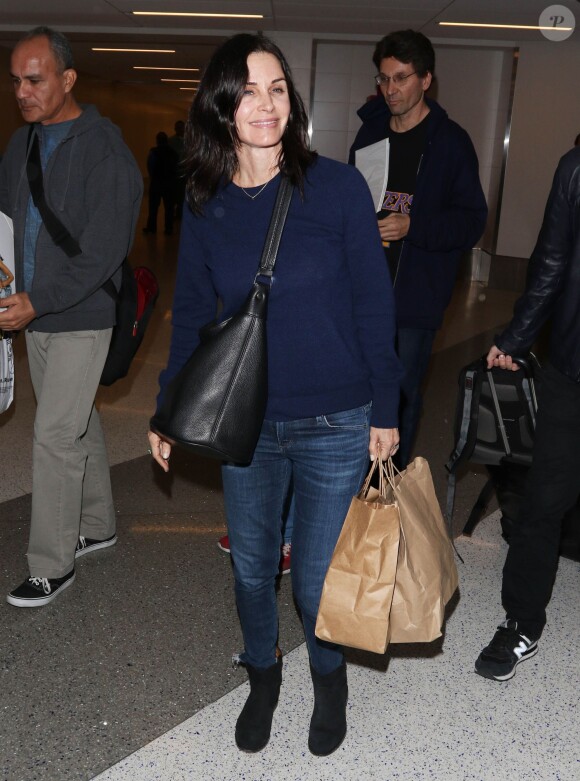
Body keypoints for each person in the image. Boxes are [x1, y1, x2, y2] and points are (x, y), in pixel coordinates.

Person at [148, 33, 402, 756]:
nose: (266, 105)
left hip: (336, 417)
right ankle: (263, 674)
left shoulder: (337, 189)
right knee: (254, 569)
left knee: (315, 585)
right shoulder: (204, 202)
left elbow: (373, 307)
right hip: (247, 422)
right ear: (222, 107)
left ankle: (329, 678)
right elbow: (192, 315)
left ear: (293, 102)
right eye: (249, 91)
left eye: (278, 89)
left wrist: (386, 409)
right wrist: (169, 410)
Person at [0, 27, 142, 607]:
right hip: (33, 309)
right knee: (74, 417)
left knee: (54, 433)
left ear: (68, 79)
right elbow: (9, 223)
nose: (23, 91)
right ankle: (99, 522)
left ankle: (51, 564)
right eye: (15, 81)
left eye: (35, 79)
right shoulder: (21, 144)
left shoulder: (104, 148)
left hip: (81, 310)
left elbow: (105, 247)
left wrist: (40, 298)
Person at [349, 29, 487, 469]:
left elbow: (471, 221)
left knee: (403, 395)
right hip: (363, 288)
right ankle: (348, 485)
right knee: (354, 389)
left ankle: (385, 493)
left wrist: (414, 226)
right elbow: (352, 199)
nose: (391, 89)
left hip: (415, 299)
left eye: (402, 78)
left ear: (426, 80)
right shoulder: (369, 133)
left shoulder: (450, 143)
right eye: (384, 79)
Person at [475, 145, 580, 681]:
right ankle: (521, 622)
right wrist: (517, 337)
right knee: (544, 500)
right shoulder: (576, 166)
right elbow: (553, 260)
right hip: (573, 367)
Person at [143, 131, 178, 236]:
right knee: (169, 208)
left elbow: (150, 166)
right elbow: (176, 167)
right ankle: (168, 228)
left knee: (153, 208)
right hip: (169, 184)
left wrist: (153, 176)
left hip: (156, 183)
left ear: (157, 141)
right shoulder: (173, 153)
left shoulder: (154, 152)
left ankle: (152, 228)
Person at [168, 119, 186, 220]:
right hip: (174, 174)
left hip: (185, 173)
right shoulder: (170, 142)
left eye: (181, 127)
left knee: (183, 196)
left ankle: (180, 213)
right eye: (178, 127)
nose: (179, 129)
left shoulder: (189, 141)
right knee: (173, 195)